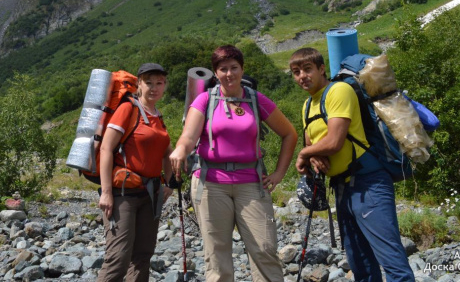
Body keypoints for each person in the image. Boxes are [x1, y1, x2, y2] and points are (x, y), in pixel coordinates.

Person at [170, 45, 296, 282]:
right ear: (215, 73)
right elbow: (189, 136)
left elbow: (289, 133)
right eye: (223, 69)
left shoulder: (256, 99)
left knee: (265, 249)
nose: (229, 74)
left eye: (234, 68)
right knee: (216, 257)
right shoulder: (204, 99)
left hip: (252, 183)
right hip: (210, 183)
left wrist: (279, 173)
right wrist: (180, 149)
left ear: (242, 69)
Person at [290, 47, 414, 282]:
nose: (302, 76)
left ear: (321, 68)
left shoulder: (339, 91)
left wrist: (305, 153)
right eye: (296, 72)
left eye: (307, 69)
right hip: (342, 188)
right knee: (361, 264)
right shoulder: (307, 106)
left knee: (392, 260)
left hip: (369, 184)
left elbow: (334, 141)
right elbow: (314, 144)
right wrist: (312, 155)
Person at [97, 63, 174, 282]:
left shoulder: (157, 116)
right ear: (139, 84)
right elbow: (106, 148)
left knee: (142, 256)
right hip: (123, 193)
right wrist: (106, 192)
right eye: (148, 82)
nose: (154, 87)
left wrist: (169, 183)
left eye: (159, 83)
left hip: (151, 194)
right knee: (118, 258)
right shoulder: (128, 109)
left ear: (165, 86)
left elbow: (166, 152)